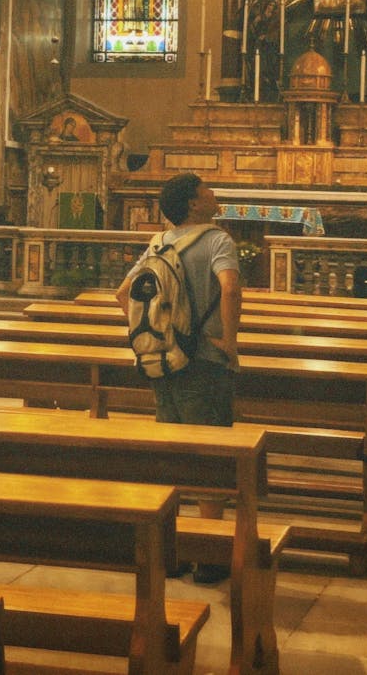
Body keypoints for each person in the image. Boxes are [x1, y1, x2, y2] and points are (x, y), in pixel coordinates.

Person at [116, 172, 241, 584]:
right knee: (209, 456)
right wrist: (228, 339)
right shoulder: (217, 240)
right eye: (206, 188)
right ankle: (209, 556)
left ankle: (168, 551)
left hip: (162, 360)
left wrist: (155, 335)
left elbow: (123, 294)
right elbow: (230, 288)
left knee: (170, 454)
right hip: (202, 361)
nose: (213, 192)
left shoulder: (159, 243)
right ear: (193, 203)